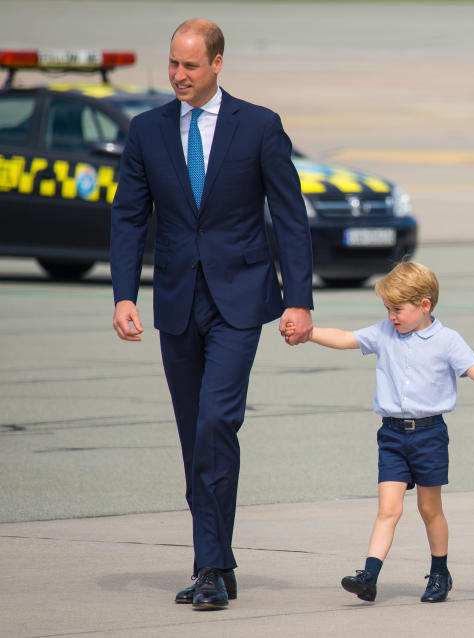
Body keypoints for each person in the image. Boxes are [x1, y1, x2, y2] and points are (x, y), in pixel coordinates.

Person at [110, 19, 315, 610]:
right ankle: (216, 563)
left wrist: (298, 299)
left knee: (215, 425)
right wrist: (124, 294)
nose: (178, 75)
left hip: (240, 298)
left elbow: (290, 216)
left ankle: (209, 567)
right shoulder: (146, 130)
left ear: (218, 64)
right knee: (192, 434)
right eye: (173, 63)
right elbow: (128, 216)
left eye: (191, 65)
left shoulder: (258, 126)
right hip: (176, 299)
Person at [283, 262, 474, 604]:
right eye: (387, 309)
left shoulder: (447, 340)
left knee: (429, 509)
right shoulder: (384, 333)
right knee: (388, 509)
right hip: (391, 435)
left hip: (429, 434)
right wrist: (308, 333)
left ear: (425, 305)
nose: (391, 317)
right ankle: (369, 576)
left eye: (398, 310)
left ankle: (439, 573)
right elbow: (346, 338)